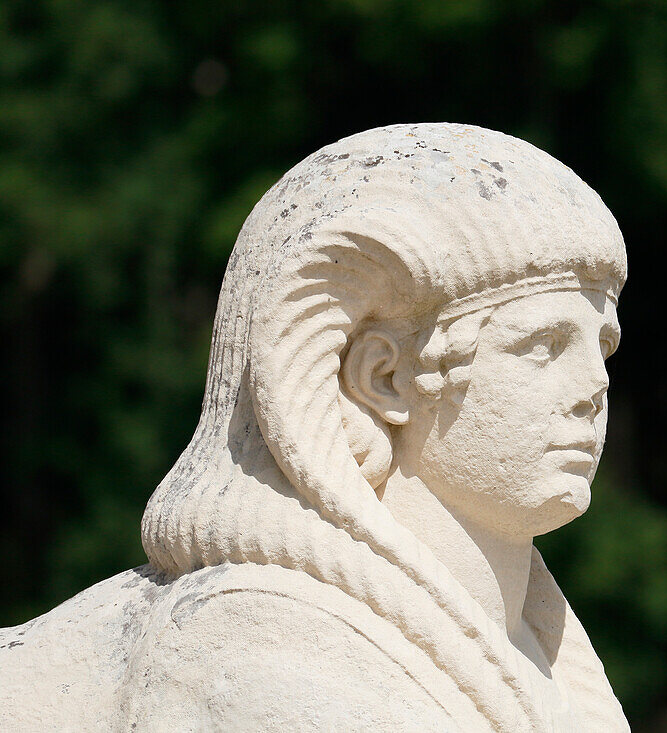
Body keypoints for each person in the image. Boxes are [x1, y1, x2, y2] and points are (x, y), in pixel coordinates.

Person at [0, 123, 630, 731]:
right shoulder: (262, 654)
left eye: (601, 349)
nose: (593, 390)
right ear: (384, 378)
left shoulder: (539, 654)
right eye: (542, 347)